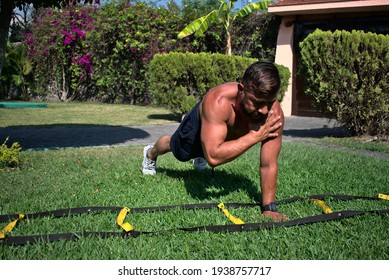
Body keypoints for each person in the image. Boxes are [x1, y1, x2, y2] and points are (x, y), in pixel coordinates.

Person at [142, 61, 287, 221]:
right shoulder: (218, 101)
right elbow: (214, 158)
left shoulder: (273, 115)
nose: (264, 110)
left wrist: (269, 208)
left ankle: (205, 145)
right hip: (202, 122)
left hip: (224, 132)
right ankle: (150, 153)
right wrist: (255, 136)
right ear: (241, 89)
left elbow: (269, 163)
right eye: (257, 102)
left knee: (210, 148)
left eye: (270, 102)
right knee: (180, 151)